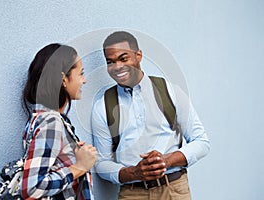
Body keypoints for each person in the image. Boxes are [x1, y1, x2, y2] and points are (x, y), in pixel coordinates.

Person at [91, 31, 210, 200]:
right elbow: (101, 163)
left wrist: (166, 161)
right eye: (110, 62)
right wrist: (134, 173)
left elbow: (201, 141)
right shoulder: (102, 105)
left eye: (124, 59)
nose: (117, 67)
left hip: (174, 190)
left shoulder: (171, 91)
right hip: (132, 193)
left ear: (138, 56)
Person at [21, 43, 97, 200]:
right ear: (63, 79)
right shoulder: (50, 121)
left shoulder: (41, 117)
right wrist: (79, 166)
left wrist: (73, 155)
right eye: (81, 74)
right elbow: (32, 188)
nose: (84, 80)